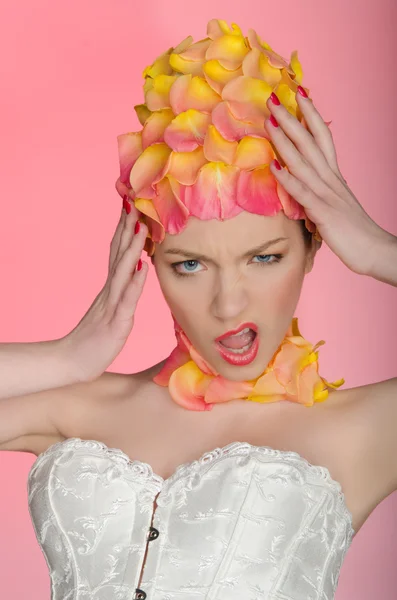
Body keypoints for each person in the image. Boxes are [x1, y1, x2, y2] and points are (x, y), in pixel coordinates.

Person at [1, 18, 397, 599]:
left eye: (264, 258)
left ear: (315, 248)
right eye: (189, 264)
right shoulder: (74, 404)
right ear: (149, 260)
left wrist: (377, 249)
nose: (228, 303)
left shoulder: (362, 429)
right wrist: (68, 356)